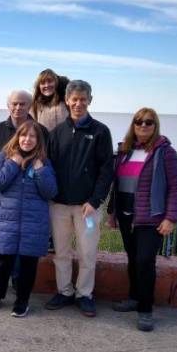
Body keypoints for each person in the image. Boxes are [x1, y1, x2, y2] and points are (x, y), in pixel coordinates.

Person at [108, 108, 177, 332]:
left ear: (155, 125)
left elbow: (176, 187)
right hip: (126, 216)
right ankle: (134, 298)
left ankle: (145, 310)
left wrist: (171, 218)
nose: (143, 125)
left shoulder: (165, 152)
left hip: (151, 219)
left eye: (149, 122)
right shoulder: (125, 151)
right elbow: (117, 184)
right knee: (133, 259)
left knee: (144, 262)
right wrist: (112, 213)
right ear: (133, 125)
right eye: (139, 121)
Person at [46, 80, 114, 317]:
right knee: (61, 253)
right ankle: (64, 292)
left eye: (83, 99)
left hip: (88, 207)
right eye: (74, 99)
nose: (78, 103)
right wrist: (51, 197)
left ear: (90, 101)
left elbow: (107, 170)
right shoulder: (56, 133)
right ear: (67, 100)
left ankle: (84, 294)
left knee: (87, 253)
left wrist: (95, 201)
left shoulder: (101, 131)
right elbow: (49, 167)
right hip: (59, 206)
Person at [0, 120, 57, 317]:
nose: (27, 139)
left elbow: (50, 191)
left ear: (38, 140)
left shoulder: (44, 161)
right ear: (18, 137)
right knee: (2, 262)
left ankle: (22, 301)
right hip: (6, 221)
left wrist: (41, 169)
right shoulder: (5, 156)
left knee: (27, 266)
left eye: (32, 136)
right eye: (24, 135)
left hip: (33, 223)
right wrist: (13, 163)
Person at [0, 90, 49, 291]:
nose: (18, 107)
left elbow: (46, 161)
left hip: (30, 200)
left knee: (24, 248)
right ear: (8, 105)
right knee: (3, 245)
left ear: (29, 106)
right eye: (14, 103)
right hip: (4, 198)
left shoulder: (41, 130)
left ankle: (17, 282)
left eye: (22, 104)